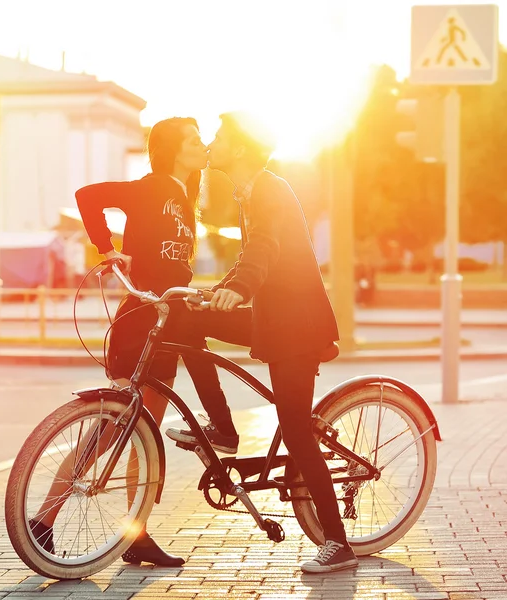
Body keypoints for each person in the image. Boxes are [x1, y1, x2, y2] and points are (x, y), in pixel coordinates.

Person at [166, 111, 358, 573]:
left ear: (241, 148)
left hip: (297, 327)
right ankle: (223, 430)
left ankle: (338, 543)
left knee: (295, 429)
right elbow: (254, 255)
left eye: (219, 136)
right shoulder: (248, 191)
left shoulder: (270, 189)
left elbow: (266, 247)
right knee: (188, 323)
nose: (211, 143)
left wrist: (241, 287)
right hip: (274, 319)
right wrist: (218, 294)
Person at [29, 117, 208, 567]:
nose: (201, 145)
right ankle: (44, 521)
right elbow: (88, 197)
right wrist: (105, 248)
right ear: (172, 148)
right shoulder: (151, 187)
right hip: (139, 324)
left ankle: (137, 534)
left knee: (142, 437)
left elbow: (172, 267)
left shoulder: (185, 197)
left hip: (166, 325)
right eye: (193, 139)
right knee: (112, 430)